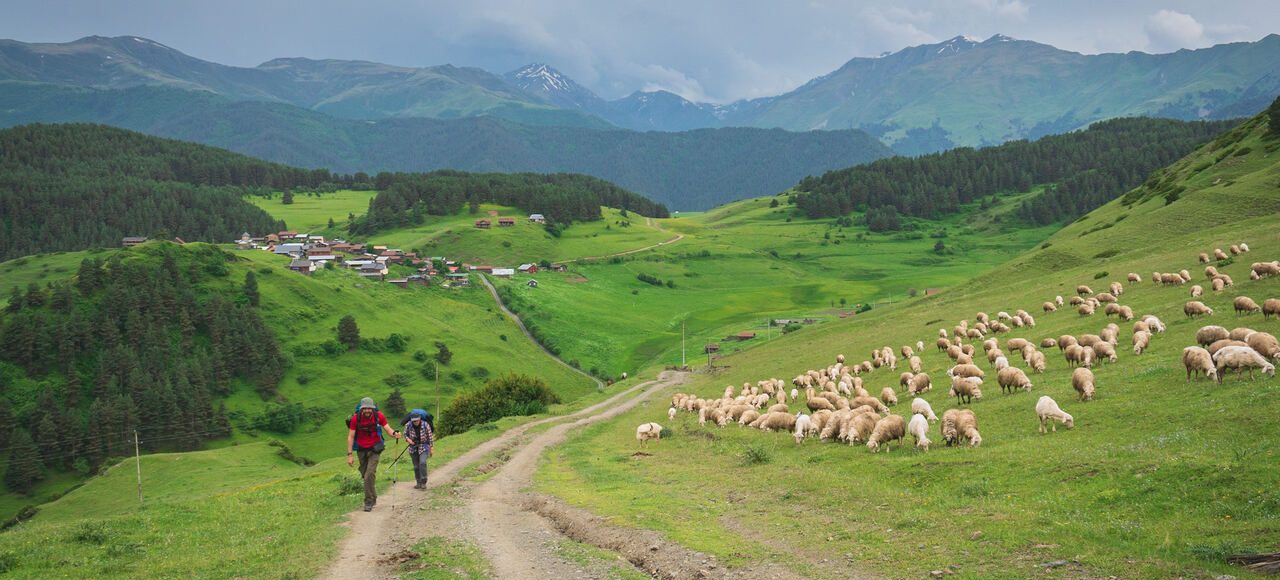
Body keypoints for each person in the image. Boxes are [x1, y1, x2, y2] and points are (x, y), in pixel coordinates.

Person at [346, 397, 400, 511]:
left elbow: (387, 428)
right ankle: (373, 497)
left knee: (369, 474)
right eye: (365, 408)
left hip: (375, 448)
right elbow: (351, 436)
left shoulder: (379, 416)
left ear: (372, 408)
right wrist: (350, 455)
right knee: (364, 475)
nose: (367, 411)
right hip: (361, 449)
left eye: (369, 409)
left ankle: (368, 502)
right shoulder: (356, 418)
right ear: (361, 408)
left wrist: (394, 433)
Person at [401, 408, 435, 489]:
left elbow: (430, 437)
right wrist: (409, 440)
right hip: (413, 447)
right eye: (414, 421)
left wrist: (431, 448)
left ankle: (423, 482)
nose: (415, 422)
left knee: (422, 463)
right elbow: (405, 434)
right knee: (416, 466)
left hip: (424, 446)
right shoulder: (408, 425)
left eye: (416, 420)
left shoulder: (425, 425)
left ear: (420, 419)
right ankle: (418, 482)